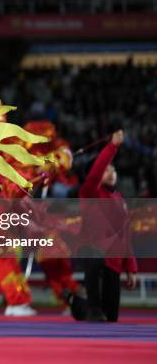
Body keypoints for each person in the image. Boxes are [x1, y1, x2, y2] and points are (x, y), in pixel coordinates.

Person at [69, 130, 137, 322]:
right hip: (94, 252)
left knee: (111, 316)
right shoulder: (90, 193)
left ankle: (77, 303)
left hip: (113, 261)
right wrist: (112, 146)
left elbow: (125, 237)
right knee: (94, 255)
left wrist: (130, 268)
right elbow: (94, 173)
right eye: (107, 169)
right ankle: (91, 307)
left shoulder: (121, 201)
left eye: (113, 169)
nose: (112, 171)